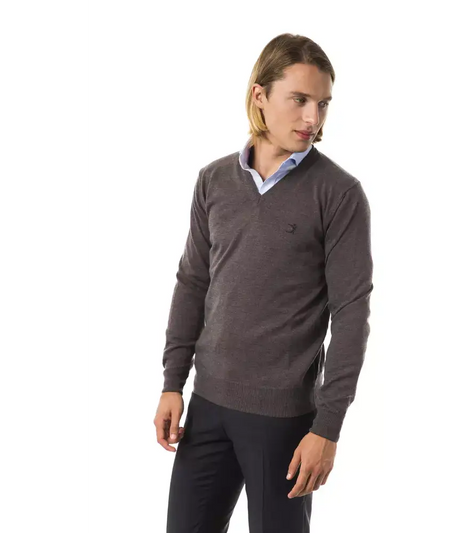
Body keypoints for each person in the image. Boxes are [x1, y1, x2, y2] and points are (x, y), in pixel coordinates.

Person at [154, 32, 373, 533]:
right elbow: (192, 283)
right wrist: (172, 383)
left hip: (284, 421)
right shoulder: (214, 180)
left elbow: (351, 314)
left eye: (323, 104)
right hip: (207, 406)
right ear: (260, 95)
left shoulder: (339, 194)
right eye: (299, 100)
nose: (313, 118)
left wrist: (327, 428)